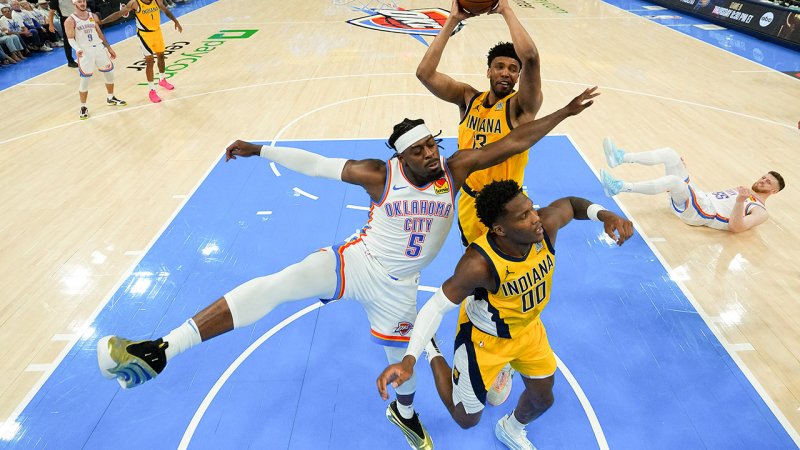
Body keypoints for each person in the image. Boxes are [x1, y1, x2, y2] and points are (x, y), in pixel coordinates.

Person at [96, 88, 598, 450]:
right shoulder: (378, 175)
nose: (430, 153)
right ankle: (161, 348)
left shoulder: (455, 169)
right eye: (420, 149)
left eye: (432, 145)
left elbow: (513, 143)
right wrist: (259, 148)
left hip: (398, 289)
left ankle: (403, 416)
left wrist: (563, 112)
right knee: (277, 285)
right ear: (402, 156)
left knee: (402, 367)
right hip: (357, 263)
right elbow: (314, 163)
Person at [377, 180, 633, 450]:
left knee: (543, 398)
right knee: (466, 419)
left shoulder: (544, 228)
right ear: (499, 229)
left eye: (532, 209)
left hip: (528, 330)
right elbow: (436, 306)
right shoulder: (478, 264)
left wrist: (606, 215)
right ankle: (433, 349)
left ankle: (511, 428)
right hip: (484, 342)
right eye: (524, 216)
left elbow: (570, 204)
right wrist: (409, 360)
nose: (536, 218)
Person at [416, 0, 543, 247]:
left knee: (510, 270)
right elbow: (425, 73)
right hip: (470, 202)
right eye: (500, 67)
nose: (506, 72)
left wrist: (505, 9)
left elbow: (531, 57)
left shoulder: (521, 107)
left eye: (513, 69)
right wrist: (452, 20)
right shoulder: (468, 98)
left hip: (508, 207)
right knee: (476, 267)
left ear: (519, 76)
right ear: (488, 72)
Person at [599, 138, 785, 233]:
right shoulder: (743, 190)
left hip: (703, 214)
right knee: (671, 155)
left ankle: (618, 187)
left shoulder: (761, 211)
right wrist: (683, 173)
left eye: (768, 182)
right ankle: (621, 158)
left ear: (773, 191)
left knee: (674, 181)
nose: (762, 180)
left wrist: (739, 202)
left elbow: (736, 228)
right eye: (763, 177)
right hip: (698, 200)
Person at [64, 0, 126, 119]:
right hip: (85, 51)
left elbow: (99, 33)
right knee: (85, 79)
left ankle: (111, 97)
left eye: (83, 1)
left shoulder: (92, 16)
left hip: (99, 48)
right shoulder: (70, 20)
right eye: (79, 1)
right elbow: (70, 38)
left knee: (109, 73)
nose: (82, 3)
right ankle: (83, 106)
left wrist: (109, 47)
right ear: (74, 3)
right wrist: (77, 49)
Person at [123, 0, 182, 103]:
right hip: (144, 35)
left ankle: (162, 80)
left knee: (161, 56)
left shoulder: (157, 0)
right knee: (150, 61)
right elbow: (118, 14)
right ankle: (152, 91)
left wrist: (175, 21)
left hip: (157, 32)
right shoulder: (134, 3)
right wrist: (102, 21)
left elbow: (165, 10)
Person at [47, 0, 78, 67]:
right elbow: (51, 12)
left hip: (77, 16)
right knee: (68, 40)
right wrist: (51, 25)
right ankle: (70, 60)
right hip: (66, 19)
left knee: (81, 36)